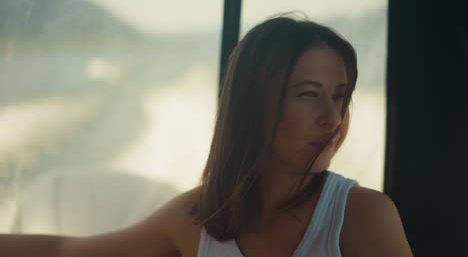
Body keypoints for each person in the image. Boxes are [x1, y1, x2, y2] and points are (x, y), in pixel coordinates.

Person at [0, 15, 413, 257]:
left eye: (340, 97)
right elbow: (66, 251)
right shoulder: (200, 218)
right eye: (309, 95)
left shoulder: (362, 216)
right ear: (254, 103)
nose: (332, 118)